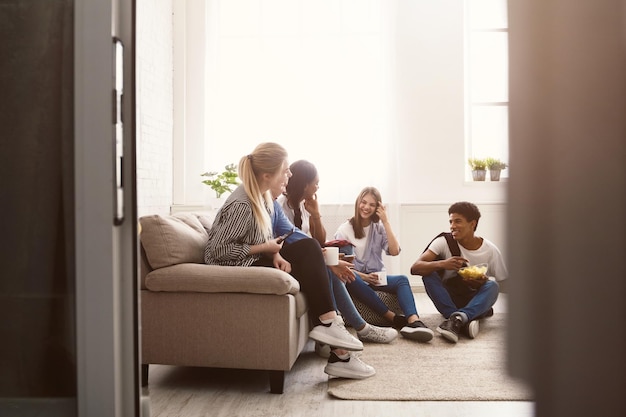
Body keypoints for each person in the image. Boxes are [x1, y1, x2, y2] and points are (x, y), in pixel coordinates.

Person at [204, 142, 375, 379]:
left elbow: (266, 235)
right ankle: (335, 338)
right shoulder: (242, 204)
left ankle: (336, 343)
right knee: (310, 251)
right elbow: (216, 252)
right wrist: (266, 248)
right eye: (285, 170)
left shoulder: (264, 197)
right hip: (235, 268)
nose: (290, 174)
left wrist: (274, 253)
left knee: (310, 248)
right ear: (267, 175)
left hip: (253, 261)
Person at [277, 160, 398, 347]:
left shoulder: (304, 205)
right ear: (304, 184)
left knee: (332, 264)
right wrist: (328, 260)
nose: (318, 186)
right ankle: (360, 327)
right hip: (289, 262)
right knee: (330, 269)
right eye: (315, 183)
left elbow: (318, 241)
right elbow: (296, 245)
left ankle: (340, 330)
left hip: (306, 258)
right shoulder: (281, 205)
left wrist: (316, 215)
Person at [334, 187, 435, 342]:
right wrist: (365, 277)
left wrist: (386, 221)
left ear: (377, 208)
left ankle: (414, 321)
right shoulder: (344, 230)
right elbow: (342, 266)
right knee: (351, 276)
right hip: (356, 279)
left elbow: (394, 251)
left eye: (372, 205)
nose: (366, 207)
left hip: (377, 278)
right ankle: (392, 317)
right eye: (364, 202)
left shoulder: (379, 228)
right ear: (358, 203)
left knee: (402, 279)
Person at [410, 201, 508, 344]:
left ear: (472, 224)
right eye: (451, 221)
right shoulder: (444, 241)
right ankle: (460, 318)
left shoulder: (490, 250)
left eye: (458, 221)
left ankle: (456, 320)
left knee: (492, 285)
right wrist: (443, 264)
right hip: (449, 298)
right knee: (428, 274)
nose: (452, 226)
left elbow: (504, 284)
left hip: (474, 298)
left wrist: (483, 281)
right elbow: (415, 268)